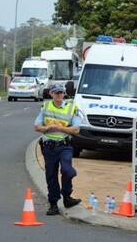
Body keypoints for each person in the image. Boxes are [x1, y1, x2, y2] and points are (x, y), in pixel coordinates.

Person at [34, 84, 82, 215]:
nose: (59, 95)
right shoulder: (46, 106)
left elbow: (77, 129)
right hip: (48, 147)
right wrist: (47, 128)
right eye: (56, 93)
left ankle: (67, 197)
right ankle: (54, 204)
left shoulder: (71, 108)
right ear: (51, 94)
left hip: (64, 146)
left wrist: (60, 128)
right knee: (51, 176)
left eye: (61, 92)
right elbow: (37, 126)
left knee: (67, 170)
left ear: (64, 93)